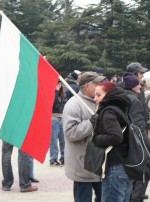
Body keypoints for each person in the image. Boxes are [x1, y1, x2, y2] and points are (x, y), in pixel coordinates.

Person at [62, 71, 105, 202]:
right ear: (87, 86)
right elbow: (70, 132)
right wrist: (91, 123)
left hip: (99, 162)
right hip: (82, 163)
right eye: (97, 83)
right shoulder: (74, 104)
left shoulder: (100, 101)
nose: (100, 85)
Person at [93, 82, 133, 202]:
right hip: (126, 165)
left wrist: (96, 138)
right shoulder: (120, 109)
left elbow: (116, 137)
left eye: (98, 95)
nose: (95, 98)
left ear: (109, 95)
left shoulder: (108, 111)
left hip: (115, 166)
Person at [122, 72, 150, 202]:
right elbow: (139, 126)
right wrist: (147, 144)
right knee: (142, 172)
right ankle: (136, 198)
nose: (140, 86)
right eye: (138, 84)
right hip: (136, 142)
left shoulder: (124, 97)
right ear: (133, 87)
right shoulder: (134, 100)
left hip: (127, 142)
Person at [50, 81, 66, 166]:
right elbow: (52, 104)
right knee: (53, 141)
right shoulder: (53, 94)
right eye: (57, 84)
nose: (59, 86)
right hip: (54, 119)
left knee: (63, 141)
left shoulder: (62, 95)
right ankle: (53, 159)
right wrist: (55, 91)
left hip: (62, 119)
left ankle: (64, 158)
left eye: (60, 84)